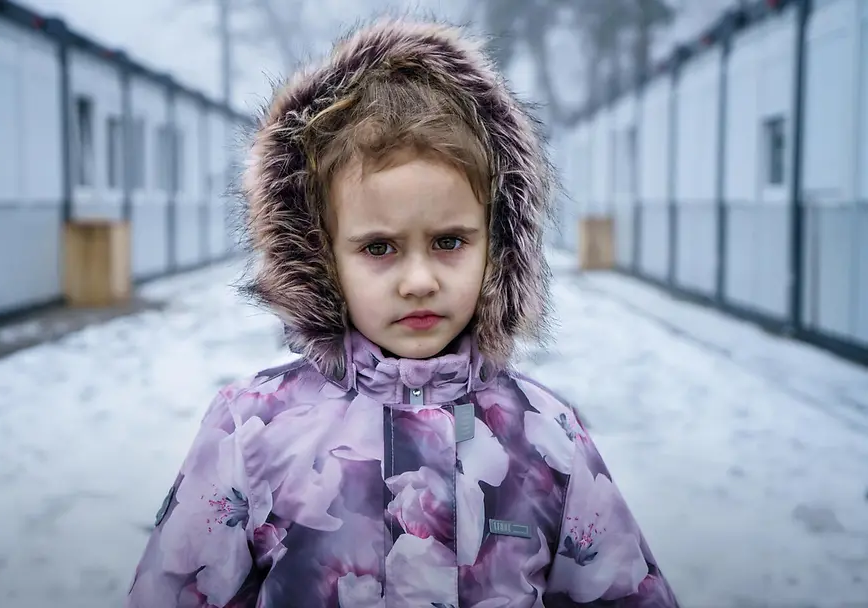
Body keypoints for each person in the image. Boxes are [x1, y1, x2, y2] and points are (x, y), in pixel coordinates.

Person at [125, 17, 679, 608]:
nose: (419, 281)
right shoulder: (250, 431)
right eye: (379, 248)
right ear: (321, 256)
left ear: (497, 244)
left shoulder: (545, 436)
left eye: (449, 241)